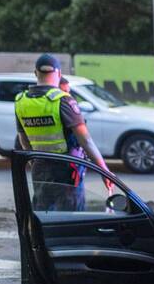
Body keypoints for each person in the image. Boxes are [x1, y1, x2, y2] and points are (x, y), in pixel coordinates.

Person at [15, 54, 112, 211]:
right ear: (59, 74)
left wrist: (34, 161)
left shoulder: (21, 101)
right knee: (72, 218)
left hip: (40, 167)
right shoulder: (63, 100)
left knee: (43, 215)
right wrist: (104, 171)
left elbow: (23, 139)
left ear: (35, 73)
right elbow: (86, 141)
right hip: (66, 169)